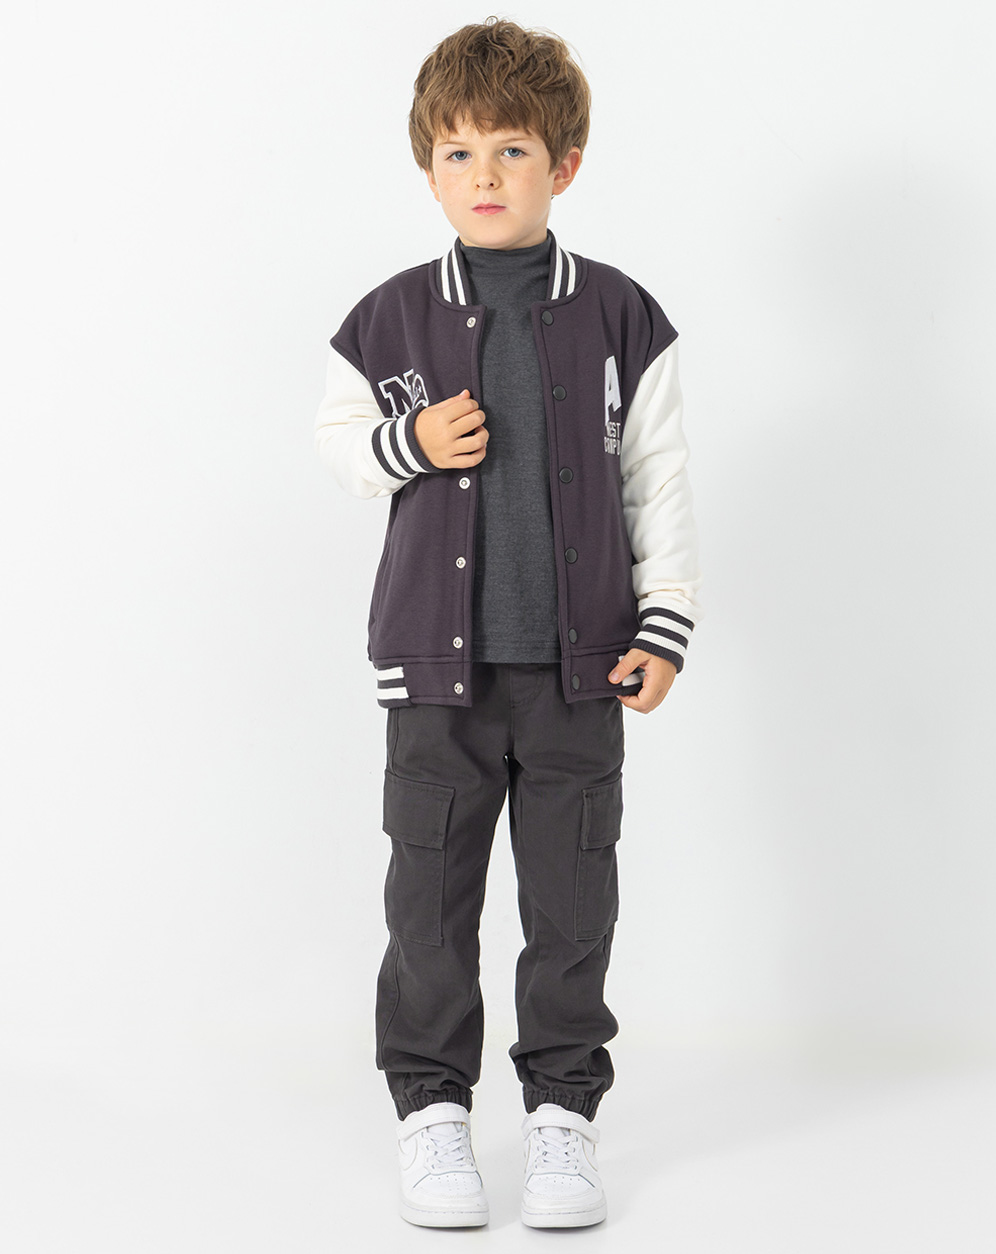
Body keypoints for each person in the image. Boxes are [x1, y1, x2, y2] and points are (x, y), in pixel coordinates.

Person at [314, 17, 702, 1229]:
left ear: (563, 164)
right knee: (429, 900)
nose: (484, 175)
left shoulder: (622, 317)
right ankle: (432, 1112)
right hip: (437, 680)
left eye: (512, 150)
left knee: (572, 903)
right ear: (428, 168)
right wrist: (411, 441)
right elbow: (341, 448)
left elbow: (658, 479)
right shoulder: (386, 321)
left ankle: (561, 1122)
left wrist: (665, 622)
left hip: (582, 674)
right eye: (459, 152)